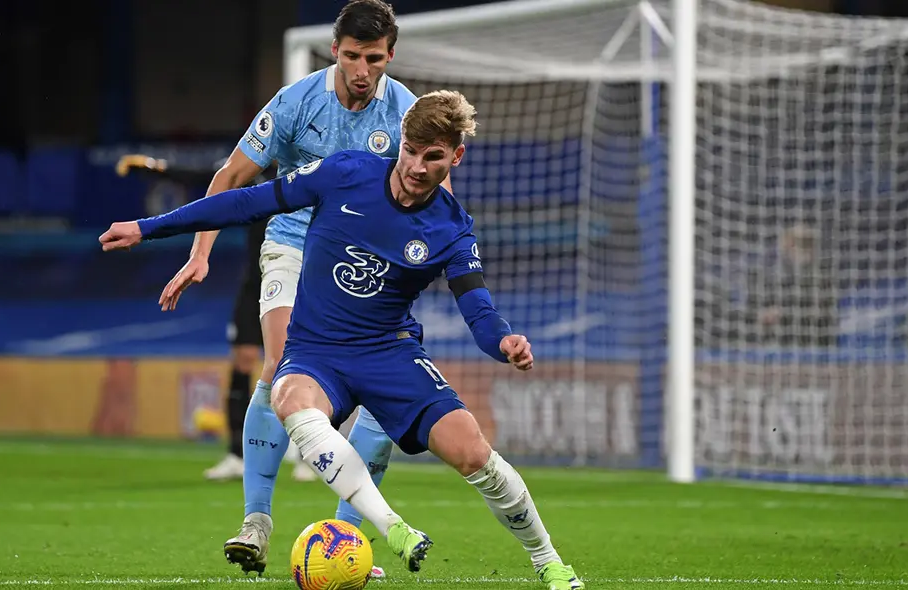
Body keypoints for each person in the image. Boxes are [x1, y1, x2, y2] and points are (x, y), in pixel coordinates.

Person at [100, 90, 584, 590]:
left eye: (433, 156)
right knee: (288, 395)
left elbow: (478, 310)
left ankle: (550, 562)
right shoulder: (345, 172)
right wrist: (147, 228)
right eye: (411, 149)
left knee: (473, 454)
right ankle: (389, 527)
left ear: (455, 157)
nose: (417, 166)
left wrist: (504, 342)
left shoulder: (453, 229)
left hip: (389, 352)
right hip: (317, 351)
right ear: (400, 139)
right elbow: (246, 201)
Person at [153, 0, 439, 577]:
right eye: (353, 57)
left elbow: (432, 189)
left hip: (365, 258)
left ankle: (346, 534)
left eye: (375, 59)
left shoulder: (407, 113)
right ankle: (255, 523)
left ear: (390, 56)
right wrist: (200, 251)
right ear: (335, 50)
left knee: (380, 390)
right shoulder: (295, 102)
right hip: (293, 244)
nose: (363, 70)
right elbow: (231, 178)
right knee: (282, 365)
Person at [115, 154, 319, 482]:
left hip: (299, 282)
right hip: (255, 282)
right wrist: (158, 168)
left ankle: (305, 453)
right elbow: (207, 176)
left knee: (294, 365)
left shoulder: (309, 176)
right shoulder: (253, 172)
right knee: (244, 359)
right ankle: (237, 454)